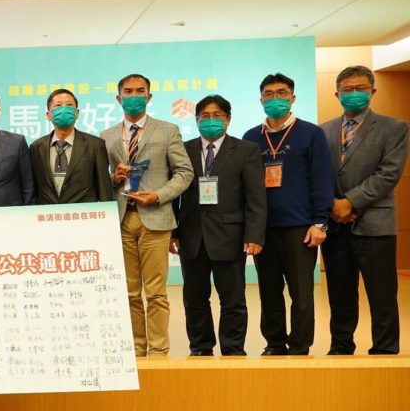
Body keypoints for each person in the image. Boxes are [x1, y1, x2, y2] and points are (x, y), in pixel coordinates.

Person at [102, 74, 193, 357]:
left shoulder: (167, 130)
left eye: (140, 91)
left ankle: (158, 351)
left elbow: (184, 172)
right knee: (128, 293)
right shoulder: (106, 136)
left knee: (155, 293)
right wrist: (114, 179)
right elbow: (103, 180)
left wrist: (159, 195)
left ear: (149, 96)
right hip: (121, 219)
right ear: (119, 98)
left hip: (156, 218)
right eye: (128, 91)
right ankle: (136, 350)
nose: (134, 96)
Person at [321, 65, 408, 354]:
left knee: (382, 294)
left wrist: (351, 202)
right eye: (347, 90)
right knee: (340, 294)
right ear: (337, 94)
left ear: (372, 91)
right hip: (335, 224)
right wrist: (334, 204)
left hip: (375, 224)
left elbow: (388, 174)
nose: (354, 94)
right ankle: (341, 347)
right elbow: (318, 174)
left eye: (360, 88)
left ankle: (385, 349)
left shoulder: (394, 128)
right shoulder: (323, 131)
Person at [243, 73, 332, 356]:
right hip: (263, 229)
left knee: (301, 293)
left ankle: (300, 346)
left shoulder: (311, 133)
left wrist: (320, 222)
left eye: (281, 93)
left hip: (300, 228)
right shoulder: (251, 138)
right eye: (269, 94)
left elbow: (321, 179)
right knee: (269, 291)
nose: (275, 99)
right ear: (261, 100)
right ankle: (274, 343)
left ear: (292, 98)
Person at [171, 95, 266, 356]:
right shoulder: (183, 149)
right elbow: (174, 194)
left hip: (230, 236)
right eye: (205, 116)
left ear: (228, 119)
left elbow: (255, 197)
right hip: (192, 237)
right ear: (196, 120)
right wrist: (173, 232)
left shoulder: (246, 150)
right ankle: (200, 348)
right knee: (194, 299)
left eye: (217, 116)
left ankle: (233, 349)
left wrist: (254, 235)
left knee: (233, 300)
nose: (210, 121)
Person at [30, 88, 113, 204]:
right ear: (48, 115)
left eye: (69, 105)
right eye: (58, 105)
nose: (64, 109)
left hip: (83, 213)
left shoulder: (95, 145)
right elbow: (33, 188)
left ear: (77, 113)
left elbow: (104, 189)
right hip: (47, 213)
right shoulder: (36, 147)